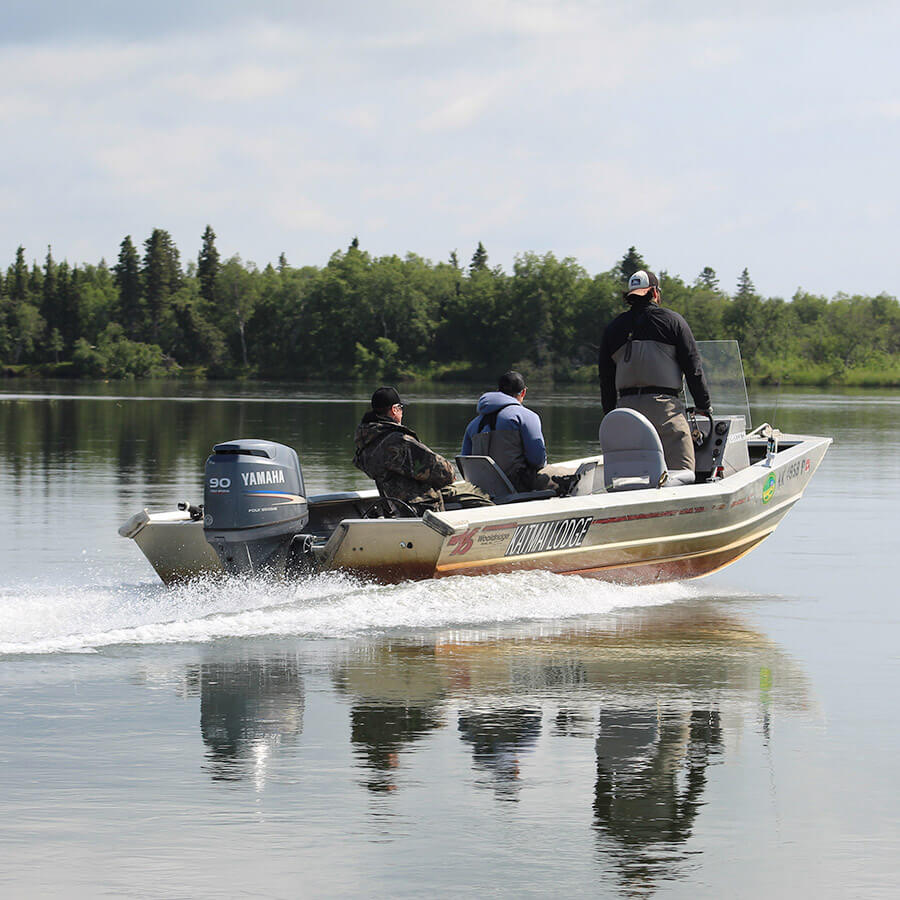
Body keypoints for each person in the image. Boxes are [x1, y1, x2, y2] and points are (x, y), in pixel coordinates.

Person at [598, 270, 711, 472]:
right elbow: (693, 369)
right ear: (655, 293)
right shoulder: (673, 321)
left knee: (631, 475)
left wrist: (611, 415)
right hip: (665, 411)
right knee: (682, 473)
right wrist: (703, 404)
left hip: (626, 413)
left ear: (630, 296)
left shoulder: (612, 328)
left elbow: (606, 380)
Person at [354, 386, 491, 514]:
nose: (402, 412)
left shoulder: (367, 442)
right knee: (480, 495)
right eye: (401, 408)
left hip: (396, 504)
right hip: (422, 504)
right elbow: (445, 473)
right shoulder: (398, 441)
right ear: (394, 410)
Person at [461, 371, 554, 492]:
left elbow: (465, 467)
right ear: (523, 392)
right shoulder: (527, 416)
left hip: (481, 489)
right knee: (560, 474)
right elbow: (538, 460)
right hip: (517, 487)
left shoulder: (473, 424)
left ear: (498, 392)